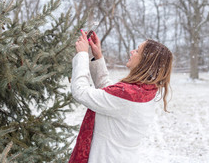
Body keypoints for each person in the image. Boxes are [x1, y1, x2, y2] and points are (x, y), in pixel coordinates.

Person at [69, 30, 173, 163]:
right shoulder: (145, 92)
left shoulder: (128, 96)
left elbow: (80, 91)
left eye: (137, 51)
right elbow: (110, 95)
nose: (132, 51)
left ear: (145, 62)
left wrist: (82, 54)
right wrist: (98, 57)